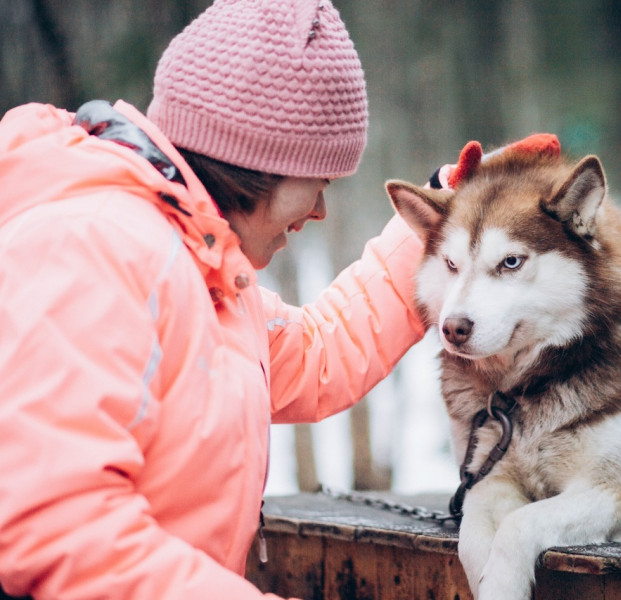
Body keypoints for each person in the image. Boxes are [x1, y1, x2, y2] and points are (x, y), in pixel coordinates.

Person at [0, 1, 427, 598]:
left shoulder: (203, 270)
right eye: (321, 181)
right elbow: (58, 525)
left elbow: (320, 350)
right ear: (261, 160)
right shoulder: (93, 247)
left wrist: (437, 229)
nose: (320, 211)